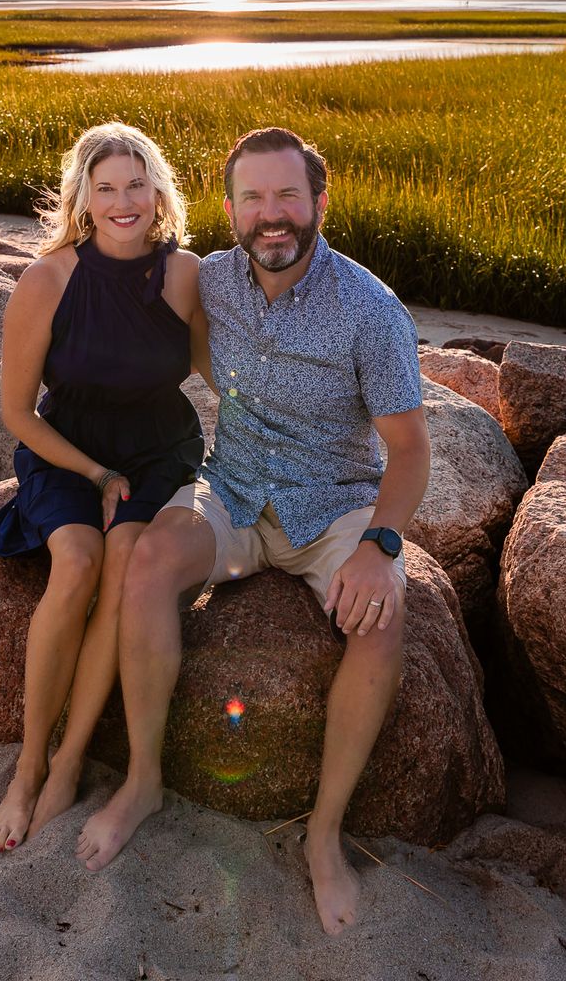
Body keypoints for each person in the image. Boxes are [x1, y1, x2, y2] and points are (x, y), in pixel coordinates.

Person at [75, 126, 431, 936]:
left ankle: (326, 834)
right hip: (231, 487)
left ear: (319, 203)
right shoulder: (212, 283)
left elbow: (409, 450)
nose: (273, 217)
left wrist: (380, 546)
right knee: (149, 563)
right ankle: (141, 783)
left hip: (332, 500)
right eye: (254, 199)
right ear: (230, 207)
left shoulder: (370, 309)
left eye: (288, 197)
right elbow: (133, 307)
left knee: (381, 622)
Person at [0, 122, 204, 853]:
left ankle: (71, 762)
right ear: (83, 197)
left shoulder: (184, 275)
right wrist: (96, 473)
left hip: (157, 449)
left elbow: (219, 373)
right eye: (106, 187)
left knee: (126, 565)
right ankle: (29, 764)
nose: (123, 200)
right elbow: (15, 412)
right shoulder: (47, 280)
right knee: (75, 563)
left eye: (136, 184)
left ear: (158, 191)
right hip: (68, 449)